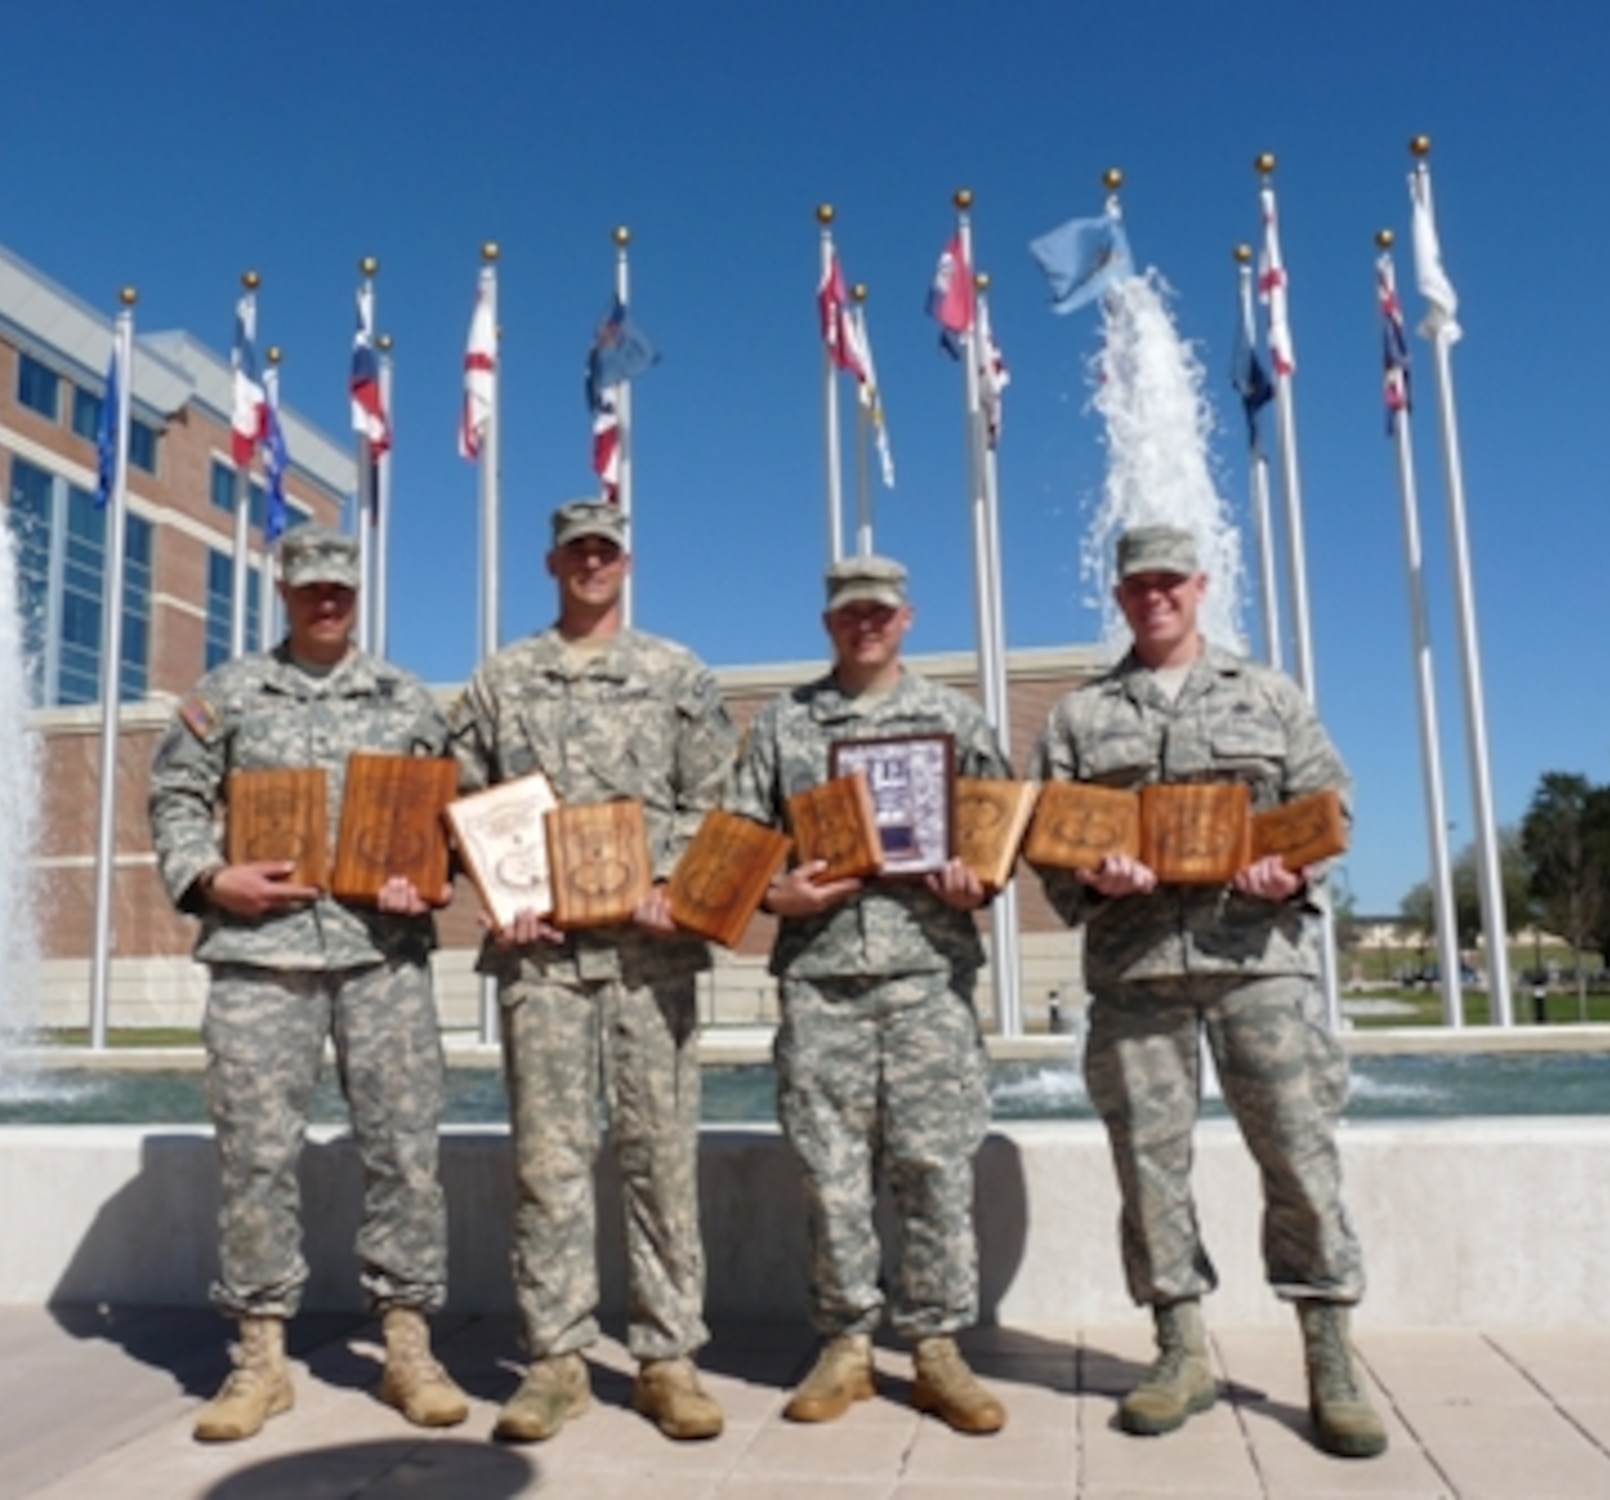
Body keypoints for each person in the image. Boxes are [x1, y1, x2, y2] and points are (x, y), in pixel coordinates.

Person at [1028, 524, 1386, 1459]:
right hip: (1137, 971)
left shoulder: (1267, 695)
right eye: (1137, 585)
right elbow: (1049, 843)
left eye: (1170, 582)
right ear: (1119, 598)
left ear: (1200, 584)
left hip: (1258, 965)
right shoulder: (1078, 719)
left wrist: (1290, 871)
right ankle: (1178, 1348)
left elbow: (1328, 806)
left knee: (1299, 1156)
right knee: (1149, 1168)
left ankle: (1329, 1353)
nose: (1155, 597)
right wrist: (1091, 880)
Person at [147, 524, 463, 1443]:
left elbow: (450, 815)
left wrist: (431, 875)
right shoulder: (229, 693)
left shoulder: (406, 698)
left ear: (357, 593)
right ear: (284, 591)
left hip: (381, 954)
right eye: (310, 587)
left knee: (404, 1152)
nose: (327, 600)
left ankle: (408, 1346)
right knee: (255, 1156)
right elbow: (174, 794)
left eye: (341, 588)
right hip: (260, 957)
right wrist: (212, 878)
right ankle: (259, 1359)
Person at [446, 499, 735, 1444]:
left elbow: (716, 798)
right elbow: (464, 802)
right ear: (552, 563)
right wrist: (498, 887)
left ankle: (667, 1359)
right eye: (577, 553)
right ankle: (557, 1361)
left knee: (661, 1158)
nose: (592, 565)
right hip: (545, 960)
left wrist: (670, 877)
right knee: (549, 1166)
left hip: (653, 957)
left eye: (605, 551)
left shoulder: (675, 672)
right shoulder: (501, 679)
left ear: (626, 560)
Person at [726, 554, 1009, 1436]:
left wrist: (977, 883)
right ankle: (846, 1344)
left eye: (880, 611)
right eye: (851, 612)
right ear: (828, 623)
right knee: (831, 1174)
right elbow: (739, 848)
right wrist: (782, 896)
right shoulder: (784, 725)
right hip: (822, 983)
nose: (866, 624)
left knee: (934, 1166)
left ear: (908, 617)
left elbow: (997, 837)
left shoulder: (954, 721)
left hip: (927, 976)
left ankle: (935, 1349)